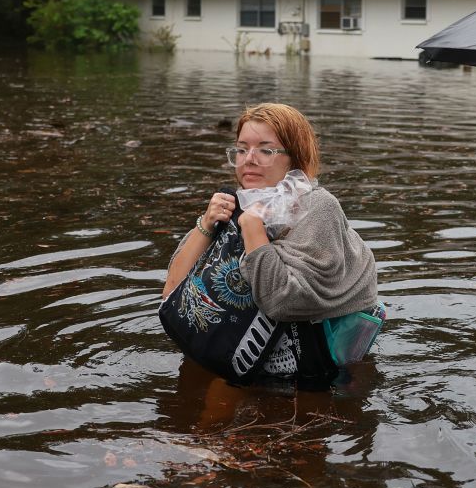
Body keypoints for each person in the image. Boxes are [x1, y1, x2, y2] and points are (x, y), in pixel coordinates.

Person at [162, 102, 378, 379]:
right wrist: (205, 224)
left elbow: (284, 303)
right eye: (241, 149)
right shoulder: (237, 202)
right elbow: (171, 293)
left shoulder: (317, 207)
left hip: (312, 370)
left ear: (294, 157)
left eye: (266, 150)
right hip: (239, 355)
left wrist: (253, 230)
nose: (249, 159)